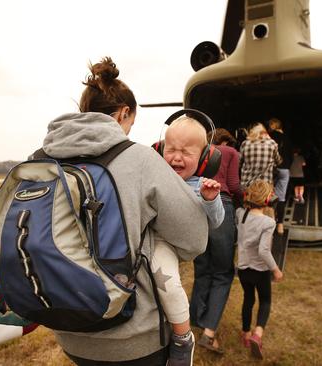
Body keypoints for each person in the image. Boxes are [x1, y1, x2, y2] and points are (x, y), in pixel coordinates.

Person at [40, 57, 208, 365]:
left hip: (66, 326)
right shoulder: (140, 159)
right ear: (124, 113)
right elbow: (194, 239)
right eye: (131, 123)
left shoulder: (41, 158)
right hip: (132, 338)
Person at [153, 116, 224, 366]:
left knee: (168, 285)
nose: (176, 157)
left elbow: (216, 221)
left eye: (186, 152)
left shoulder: (201, 186)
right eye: (170, 149)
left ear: (206, 158)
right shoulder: (155, 177)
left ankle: (183, 338)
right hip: (145, 241)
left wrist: (210, 199)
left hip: (166, 246)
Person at [190, 128, 242, 354]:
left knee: (202, 268)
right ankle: (209, 334)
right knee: (222, 272)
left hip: (199, 205)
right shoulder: (230, 152)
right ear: (227, 140)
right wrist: (244, 199)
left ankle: (195, 320)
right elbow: (233, 183)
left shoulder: (201, 150)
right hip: (221, 205)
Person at [236, 180, 284, 360]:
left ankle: (246, 334)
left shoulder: (240, 213)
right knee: (265, 301)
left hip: (243, 268)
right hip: (260, 270)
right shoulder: (268, 222)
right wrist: (276, 269)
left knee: (248, 299)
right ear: (267, 199)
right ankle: (257, 334)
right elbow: (263, 250)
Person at [267, 118, 293, 234]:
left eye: (270, 124)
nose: (269, 125)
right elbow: (291, 155)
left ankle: (269, 223)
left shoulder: (269, 136)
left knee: (268, 196)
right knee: (281, 197)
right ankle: (280, 225)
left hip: (271, 170)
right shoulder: (287, 138)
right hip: (284, 169)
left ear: (274, 125)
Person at [239, 123, 281, 189]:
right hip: (265, 187)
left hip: (247, 185)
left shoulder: (245, 143)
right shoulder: (271, 143)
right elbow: (278, 161)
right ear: (264, 132)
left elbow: (239, 162)